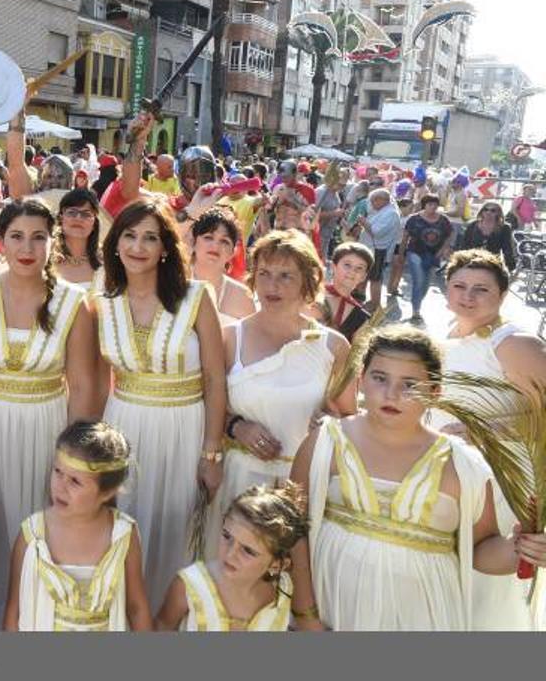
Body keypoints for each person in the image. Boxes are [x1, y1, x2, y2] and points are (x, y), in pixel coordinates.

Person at [289, 325, 546, 631]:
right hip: (332, 606)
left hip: (422, 614)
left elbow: (481, 550)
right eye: (380, 378)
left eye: (409, 384)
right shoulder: (324, 443)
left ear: (435, 391)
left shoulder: (463, 465)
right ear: (360, 381)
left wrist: (521, 549)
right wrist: (305, 614)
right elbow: (293, 530)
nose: (391, 394)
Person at [0, 198, 97, 611]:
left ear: (53, 242)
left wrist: (72, 462)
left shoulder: (73, 302)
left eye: (38, 238)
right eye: (16, 237)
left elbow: (81, 386)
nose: (27, 248)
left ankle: (27, 620)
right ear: (1, 241)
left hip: (44, 430)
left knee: (33, 528)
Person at [92, 198, 227, 608]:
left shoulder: (197, 297)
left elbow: (215, 379)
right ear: (115, 244)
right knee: (124, 526)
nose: (138, 246)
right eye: (129, 236)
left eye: (150, 237)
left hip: (185, 429)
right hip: (124, 427)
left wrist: (212, 454)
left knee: (176, 529)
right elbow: (97, 384)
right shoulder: (102, 302)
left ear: (166, 247)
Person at [207, 230, 348, 560]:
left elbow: (350, 419)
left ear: (308, 281)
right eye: (265, 274)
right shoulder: (230, 338)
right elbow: (206, 404)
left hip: (299, 485)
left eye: (286, 276)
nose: (273, 286)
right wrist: (237, 427)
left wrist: (333, 423)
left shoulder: (333, 346)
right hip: (237, 478)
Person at [439, 249, 546, 630]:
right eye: (459, 286)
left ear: (502, 295)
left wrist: (484, 431)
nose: (467, 296)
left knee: (484, 584)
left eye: (481, 289)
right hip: (450, 473)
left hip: (499, 480)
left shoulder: (514, 343)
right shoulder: (448, 335)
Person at [5, 421, 153, 631]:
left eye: (75, 481)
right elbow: (14, 611)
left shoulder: (123, 536)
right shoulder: (32, 535)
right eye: (57, 471)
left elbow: (137, 607)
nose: (60, 486)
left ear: (107, 492)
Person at [157, 483, 306, 631]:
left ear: (276, 564)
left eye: (248, 550)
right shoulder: (190, 587)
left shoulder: (283, 590)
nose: (229, 554)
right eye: (227, 536)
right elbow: (162, 627)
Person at [188, 207, 256, 323]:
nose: (215, 246)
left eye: (224, 241)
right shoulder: (174, 281)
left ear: (232, 252)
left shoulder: (243, 296)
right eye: (208, 238)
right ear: (193, 243)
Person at [400, 193, 455, 323]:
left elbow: (450, 234)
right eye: (430, 204)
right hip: (415, 252)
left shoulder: (443, 220)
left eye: (435, 204)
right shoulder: (414, 219)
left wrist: (444, 249)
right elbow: (405, 237)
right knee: (418, 280)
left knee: (426, 283)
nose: (433, 207)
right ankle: (416, 310)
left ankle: (417, 302)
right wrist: (401, 255)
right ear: (424, 205)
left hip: (434, 254)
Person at [314, 243, 373, 342]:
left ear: (364, 276)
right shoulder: (312, 295)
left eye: (359, 268)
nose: (352, 271)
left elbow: (354, 354)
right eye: (347, 265)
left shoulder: (362, 318)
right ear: (333, 266)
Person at [357, 188, 402, 312]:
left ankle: (375, 304)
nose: (371, 204)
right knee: (368, 276)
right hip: (371, 248)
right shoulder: (382, 211)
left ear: (382, 200)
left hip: (378, 250)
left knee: (375, 278)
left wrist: (364, 222)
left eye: (373, 201)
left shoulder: (391, 213)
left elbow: (377, 232)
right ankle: (362, 297)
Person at [54, 188, 102, 290]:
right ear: (61, 218)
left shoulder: (106, 262)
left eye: (86, 214)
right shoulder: (46, 259)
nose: (78, 218)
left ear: (94, 223)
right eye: (72, 212)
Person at [460, 201, 515, 273]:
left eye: (493, 210)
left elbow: (507, 249)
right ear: (482, 211)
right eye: (486, 209)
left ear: (498, 213)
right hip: (472, 263)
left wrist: (510, 267)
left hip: (492, 264)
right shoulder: (472, 225)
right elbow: (464, 245)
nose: (488, 212)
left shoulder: (504, 228)